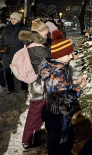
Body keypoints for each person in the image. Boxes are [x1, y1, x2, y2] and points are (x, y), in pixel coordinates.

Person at [39, 30, 87, 155]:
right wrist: (79, 88)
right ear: (60, 55)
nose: (71, 57)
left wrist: (74, 81)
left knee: (57, 140)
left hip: (54, 112)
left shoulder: (54, 66)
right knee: (60, 144)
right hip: (59, 115)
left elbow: (60, 85)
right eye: (69, 54)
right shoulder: (58, 72)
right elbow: (65, 96)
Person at [19, 18, 51, 152]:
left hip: (35, 85)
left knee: (35, 112)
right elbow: (49, 65)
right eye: (45, 34)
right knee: (35, 114)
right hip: (40, 87)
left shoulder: (31, 44)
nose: (47, 36)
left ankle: (32, 136)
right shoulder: (39, 49)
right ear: (38, 33)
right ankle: (28, 141)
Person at [0, 12, 28, 94]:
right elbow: (1, 41)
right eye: (11, 18)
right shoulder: (6, 29)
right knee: (8, 71)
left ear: (19, 19)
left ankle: (24, 87)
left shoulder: (24, 28)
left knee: (22, 70)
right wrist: (1, 54)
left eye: (14, 18)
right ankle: (10, 88)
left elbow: (28, 40)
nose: (12, 20)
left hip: (19, 53)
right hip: (7, 53)